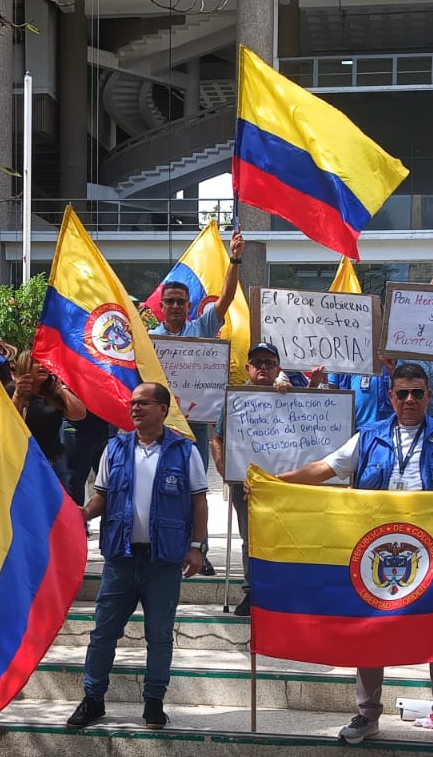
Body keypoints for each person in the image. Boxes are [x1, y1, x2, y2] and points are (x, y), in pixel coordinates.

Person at [278, 362, 433, 748]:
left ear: (429, 396)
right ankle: (367, 716)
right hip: (376, 551)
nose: (410, 399)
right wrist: (277, 483)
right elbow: (325, 468)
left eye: (417, 393)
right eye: (402, 393)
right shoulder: (369, 436)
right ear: (390, 396)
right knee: (372, 628)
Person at [67, 381, 209, 732]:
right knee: (103, 633)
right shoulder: (113, 449)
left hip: (164, 562)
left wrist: (196, 546)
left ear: (163, 409)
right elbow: (101, 496)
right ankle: (93, 699)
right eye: (132, 403)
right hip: (121, 559)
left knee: (159, 636)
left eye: (143, 403)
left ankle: (154, 702)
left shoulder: (184, 451)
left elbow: (198, 501)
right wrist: (82, 513)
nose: (134, 408)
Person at [212, 341, 307, 615]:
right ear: (248, 368)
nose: (263, 367)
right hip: (247, 485)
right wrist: (224, 469)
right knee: (250, 539)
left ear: (278, 368)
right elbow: (217, 438)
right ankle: (252, 592)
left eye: (269, 363)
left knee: (287, 537)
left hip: (286, 484)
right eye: (258, 363)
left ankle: (285, 592)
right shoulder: (235, 399)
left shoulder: (296, 397)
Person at [150, 228, 246, 469]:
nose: (175, 305)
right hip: (162, 422)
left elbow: (226, 297)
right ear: (161, 306)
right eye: (169, 301)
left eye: (180, 301)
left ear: (188, 305)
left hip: (196, 423)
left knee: (196, 483)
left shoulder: (202, 326)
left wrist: (234, 259)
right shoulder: (150, 339)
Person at [12, 353, 87, 490]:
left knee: (61, 507)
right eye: (36, 362)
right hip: (27, 461)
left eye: (44, 362)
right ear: (25, 366)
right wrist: (18, 395)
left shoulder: (52, 393)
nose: (42, 365)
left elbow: (79, 414)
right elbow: (9, 424)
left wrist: (61, 388)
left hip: (55, 461)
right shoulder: (13, 390)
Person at [327, 361, 393, 428]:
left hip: (386, 429)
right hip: (351, 428)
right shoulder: (339, 358)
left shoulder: (393, 358)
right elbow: (331, 394)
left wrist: (391, 367)